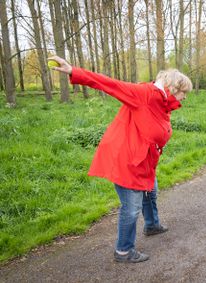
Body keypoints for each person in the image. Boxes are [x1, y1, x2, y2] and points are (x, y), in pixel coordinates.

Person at [49, 56, 192, 263]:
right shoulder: (144, 94)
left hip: (143, 161)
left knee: (151, 192)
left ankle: (151, 225)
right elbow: (110, 84)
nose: (184, 97)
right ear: (172, 87)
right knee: (131, 208)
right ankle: (123, 251)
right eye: (183, 92)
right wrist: (74, 71)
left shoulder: (162, 102)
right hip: (127, 160)